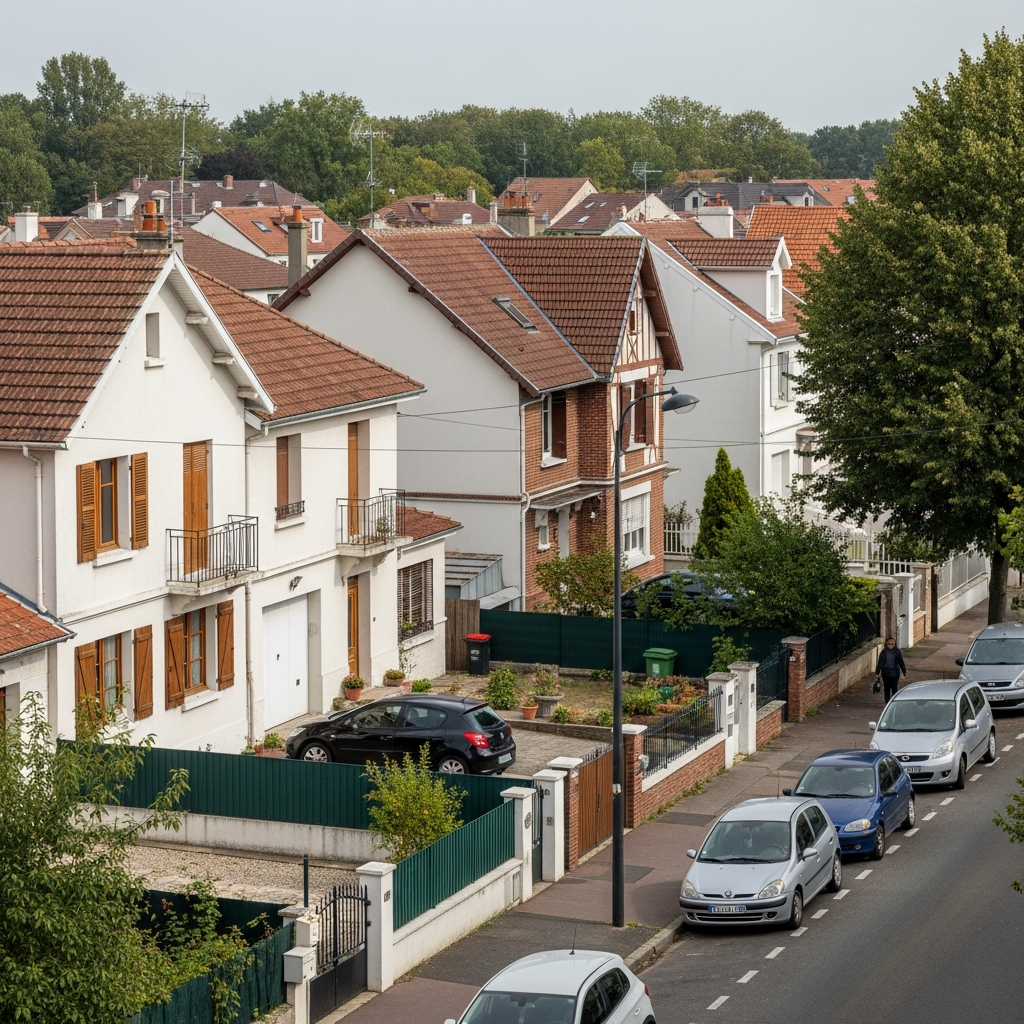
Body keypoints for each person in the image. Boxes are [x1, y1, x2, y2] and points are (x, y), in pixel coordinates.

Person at [875, 636, 907, 701]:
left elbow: (901, 662)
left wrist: (904, 672)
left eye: (891, 644)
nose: (890, 646)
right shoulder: (889, 651)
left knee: (890, 689)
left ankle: (890, 702)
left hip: (891, 673)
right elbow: (880, 662)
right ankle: (890, 702)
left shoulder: (887, 651)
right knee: (890, 689)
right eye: (889, 644)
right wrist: (877, 672)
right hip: (890, 673)